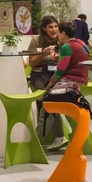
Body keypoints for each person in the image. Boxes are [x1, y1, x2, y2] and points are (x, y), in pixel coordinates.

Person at [28, 16, 66, 151]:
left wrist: (59, 58)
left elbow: (67, 61)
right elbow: (32, 63)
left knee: (51, 98)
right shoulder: (36, 40)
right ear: (44, 28)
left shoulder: (62, 40)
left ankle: (45, 140)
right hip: (39, 74)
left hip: (57, 74)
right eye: (50, 27)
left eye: (55, 26)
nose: (54, 29)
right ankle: (58, 136)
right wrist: (42, 55)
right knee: (46, 98)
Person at [44, 21, 90, 94]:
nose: (57, 35)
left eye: (58, 32)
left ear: (63, 34)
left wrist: (47, 88)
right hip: (83, 79)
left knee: (48, 93)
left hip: (71, 80)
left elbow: (60, 71)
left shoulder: (67, 46)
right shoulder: (82, 43)